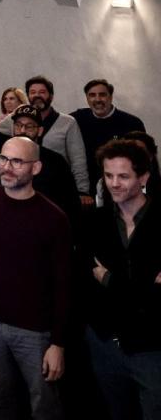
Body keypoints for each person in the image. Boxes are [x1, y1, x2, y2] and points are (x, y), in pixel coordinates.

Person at [0, 137, 71, 420]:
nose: (7, 167)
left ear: (36, 168)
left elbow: (64, 285)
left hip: (35, 330)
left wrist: (58, 343)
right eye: (3, 159)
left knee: (44, 403)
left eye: (17, 161)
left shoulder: (54, 218)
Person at [85, 140, 161, 420]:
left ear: (143, 177)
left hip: (151, 345)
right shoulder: (94, 221)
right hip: (105, 341)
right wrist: (142, 287)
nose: (114, 183)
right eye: (108, 175)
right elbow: (85, 283)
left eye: (123, 176)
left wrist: (109, 280)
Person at [0, 76, 91, 201]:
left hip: (55, 184)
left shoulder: (68, 123)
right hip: (22, 184)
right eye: (32, 92)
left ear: (51, 96)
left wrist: (82, 191)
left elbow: (78, 159)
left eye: (42, 92)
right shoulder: (14, 118)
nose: (37, 95)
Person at [71, 79, 146, 190]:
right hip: (86, 188)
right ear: (87, 98)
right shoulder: (76, 120)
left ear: (110, 97)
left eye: (102, 95)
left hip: (121, 186)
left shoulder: (132, 123)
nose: (97, 99)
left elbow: (144, 160)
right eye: (92, 95)